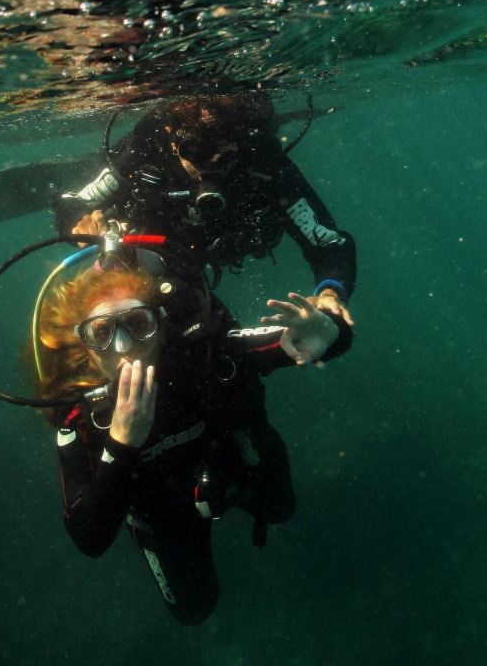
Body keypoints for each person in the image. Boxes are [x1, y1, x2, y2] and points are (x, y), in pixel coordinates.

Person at [35, 253, 354, 625]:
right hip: (161, 513)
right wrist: (121, 444)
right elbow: (89, 538)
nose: (123, 347)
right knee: (192, 609)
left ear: (161, 323)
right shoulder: (80, 416)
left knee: (281, 510)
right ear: (82, 343)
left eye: (138, 323)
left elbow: (306, 339)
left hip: (227, 466)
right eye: (101, 332)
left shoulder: (202, 353)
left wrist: (331, 331)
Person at [55, 92, 357, 313]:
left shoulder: (265, 166)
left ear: (239, 146)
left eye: (223, 157)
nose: (207, 171)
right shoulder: (144, 155)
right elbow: (72, 202)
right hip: (155, 257)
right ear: (172, 139)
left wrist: (330, 293)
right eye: (196, 153)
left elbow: (329, 244)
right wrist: (78, 223)